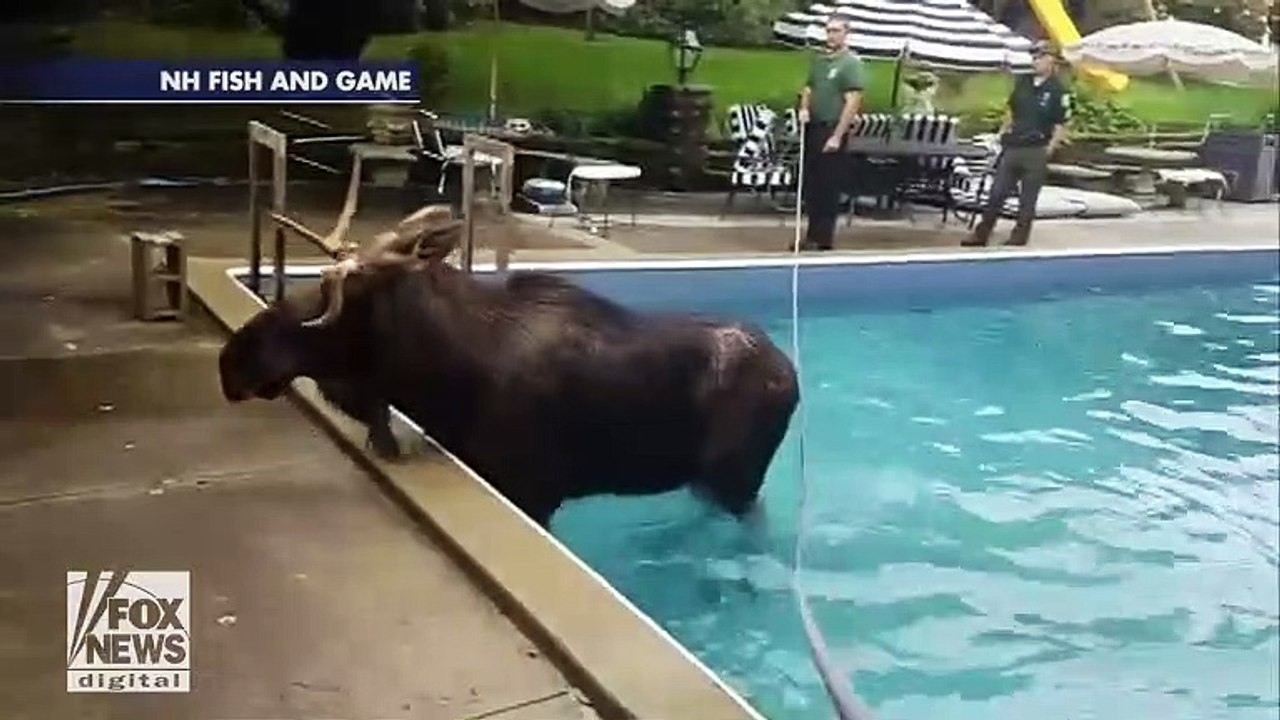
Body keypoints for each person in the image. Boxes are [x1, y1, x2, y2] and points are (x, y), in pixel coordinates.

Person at [963, 40, 1072, 247]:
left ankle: (1019, 236)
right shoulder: (1023, 82)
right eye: (1034, 58)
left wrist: (1049, 148)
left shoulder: (1058, 90)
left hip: (1036, 148)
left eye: (1040, 58)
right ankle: (981, 234)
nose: (1036, 62)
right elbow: (1011, 110)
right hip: (1013, 145)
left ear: (1051, 60)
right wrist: (1002, 132)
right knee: (997, 193)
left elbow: (1061, 122)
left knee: (1027, 199)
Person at [797, 17, 865, 251]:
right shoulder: (819, 61)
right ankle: (811, 234)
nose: (831, 35)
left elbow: (853, 101)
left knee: (828, 185)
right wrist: (804, 108)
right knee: (812, 184)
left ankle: (824, 238)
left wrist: (837, 135)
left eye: (836, 31)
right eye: (828, 31)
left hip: (832, 127)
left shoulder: (850, 63)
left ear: (846, 33)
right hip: (814, 126)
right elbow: (808, 89)